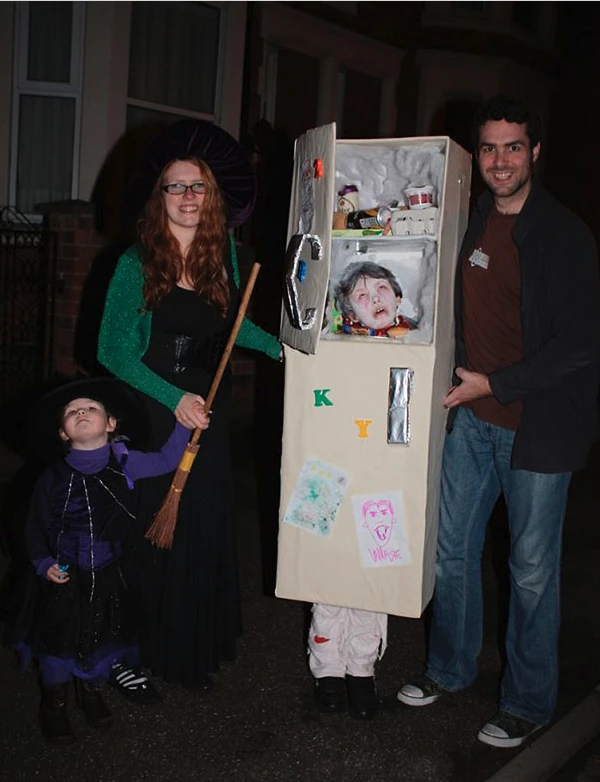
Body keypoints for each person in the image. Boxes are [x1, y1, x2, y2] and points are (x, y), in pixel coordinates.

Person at [397, 94, 600, 748]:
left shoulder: (564, 235)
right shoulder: (475, 216)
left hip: (537, 428)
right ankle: (450, 669)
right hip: (472, 419)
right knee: (451, 551)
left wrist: (498, 383)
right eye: (490, 148)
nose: (501, 160)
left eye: (514, 147)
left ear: (535, 151)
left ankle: (528, 703)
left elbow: (580, 342)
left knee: (530, 570)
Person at [97, 119, 282, 689]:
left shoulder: (221, 256)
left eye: (196, 185)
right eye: (175, 186)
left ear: (211, 195)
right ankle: (132, 651)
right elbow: (112, 351)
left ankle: (187, 650)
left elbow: (231, 327)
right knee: (151, 531)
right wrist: (174, 398)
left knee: (198, 525)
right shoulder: (135, 263)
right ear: (159, 196)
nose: (186, 196)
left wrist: (283, 349)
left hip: (208, 411)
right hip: (155, 412)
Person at [8, 377, 201, 744]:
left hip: (110, 573)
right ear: (63, 432)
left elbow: (167, 460)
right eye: (72, 412)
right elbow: (33, 524)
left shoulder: (125, 461)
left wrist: (184, 422)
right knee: (59, 641)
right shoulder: (51, 476)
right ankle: (55, 703)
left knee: (102, 635)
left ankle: (90, 691)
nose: (81, 412)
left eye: (91, 408)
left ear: (111, 423)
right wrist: (42, 562)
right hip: (64, 574)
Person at [333, 261, 418, 337]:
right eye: (362, 295)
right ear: (353, 315)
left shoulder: (417, 332)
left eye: (381, 287)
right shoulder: (343, 343)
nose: (376, 299)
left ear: (397, 299)